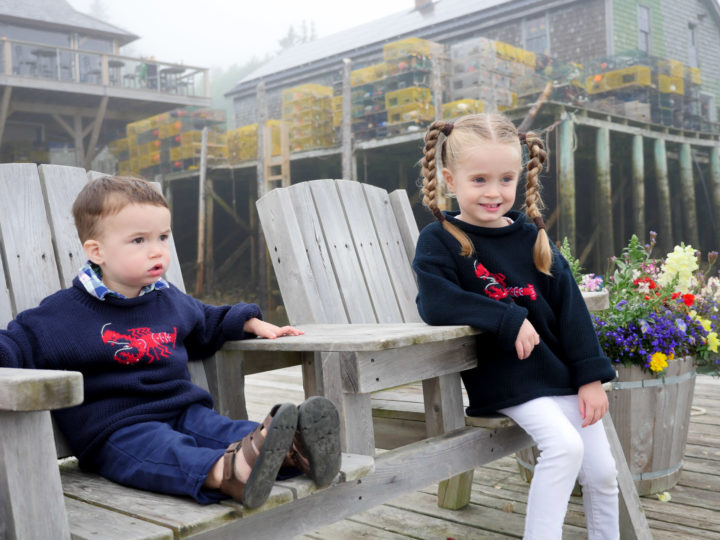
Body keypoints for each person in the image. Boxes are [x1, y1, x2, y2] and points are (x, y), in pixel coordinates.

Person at [0, 175, 341, 509]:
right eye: (139, 241)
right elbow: (15, 345)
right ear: (97, 250)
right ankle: (227, 473)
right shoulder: (61, 314)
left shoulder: (169, 299)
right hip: (118, 431)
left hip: (183, 410)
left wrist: (249, 322)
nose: (157, 251)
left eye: (163, 237)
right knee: (165, 450)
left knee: (222, 429)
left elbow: (208, 321)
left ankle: (291, 449)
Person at [413, 114, 619, 539]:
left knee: (602, 472)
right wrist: (509, 318)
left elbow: (572, 311)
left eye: (506, 179)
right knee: (565, 448)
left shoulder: (533, 237)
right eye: (480, 180)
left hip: (559, 375)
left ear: (520, 177)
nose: (494, 192)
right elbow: (435, 302)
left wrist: (591, 378)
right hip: (506, 377)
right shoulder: (441, 240)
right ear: (451, 180)